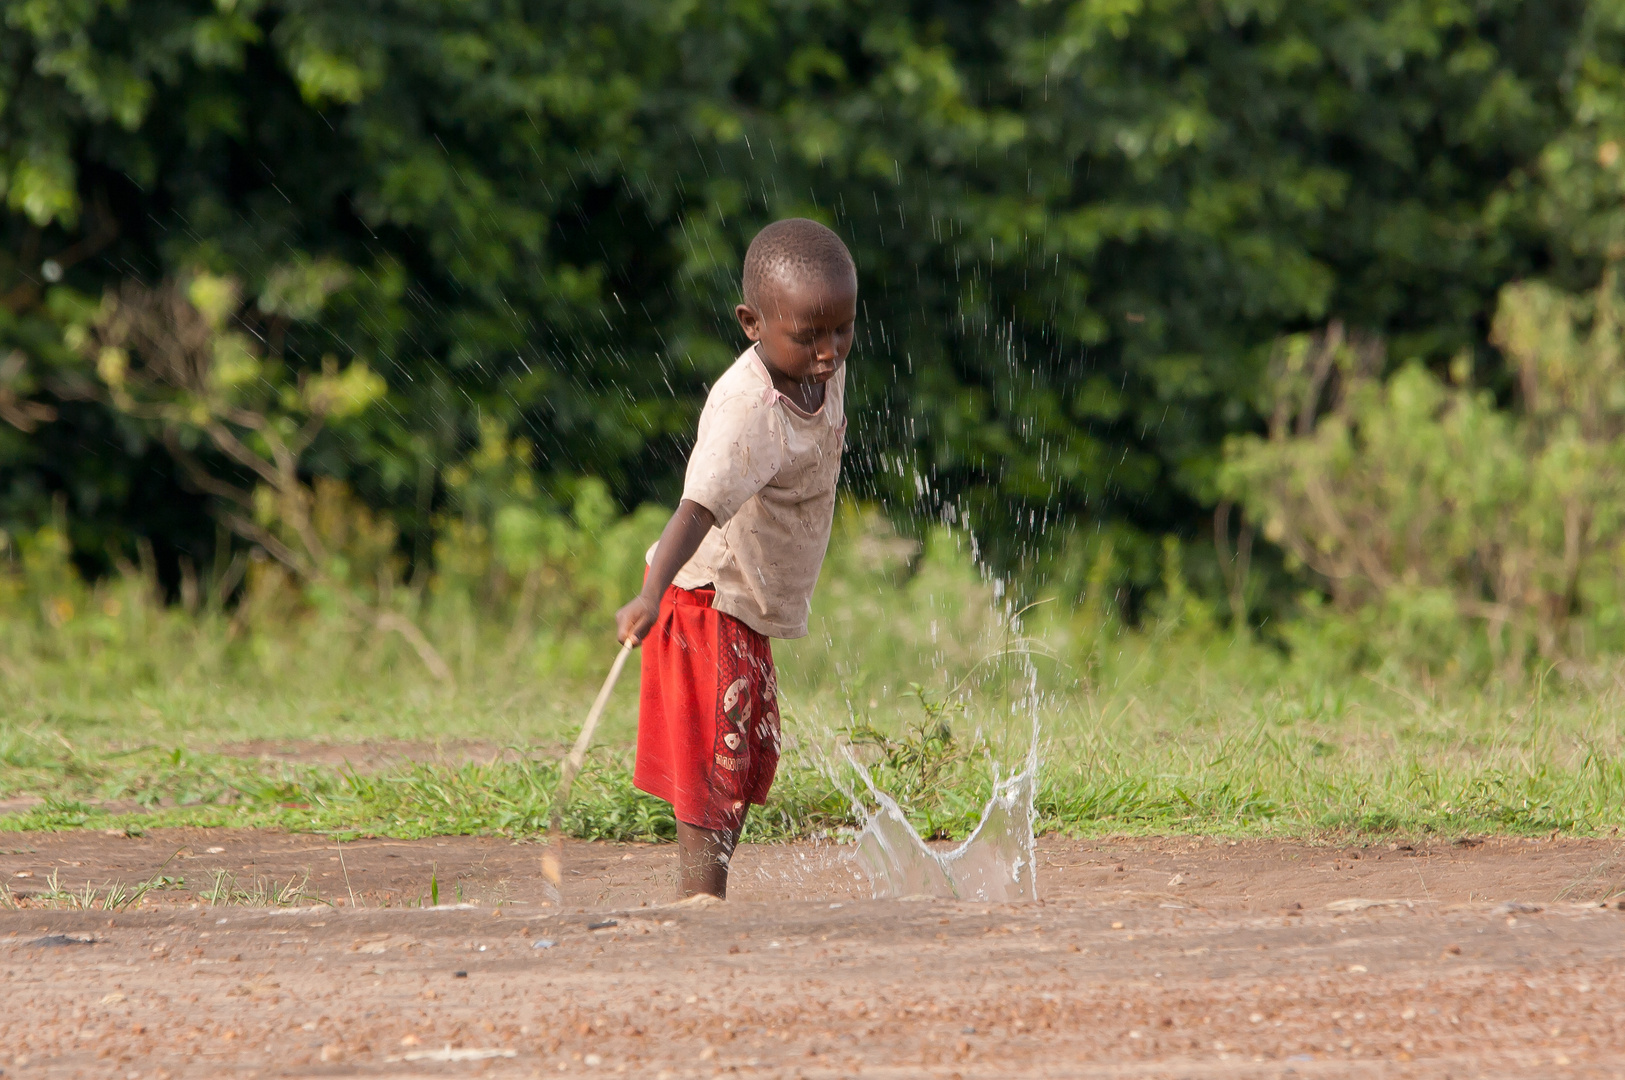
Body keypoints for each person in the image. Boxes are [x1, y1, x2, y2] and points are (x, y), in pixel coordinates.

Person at [614, 218, 856, 900]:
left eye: (841, 329)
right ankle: (700, 905)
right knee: (712, 763)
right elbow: (694, 509)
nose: (828, 353)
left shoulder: (817, 366)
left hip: (745, 600)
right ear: (751, 323)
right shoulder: (747, 410)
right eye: (807, 336)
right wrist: (650, 595)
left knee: (744, 755)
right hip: (701, 597)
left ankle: (708, 895)